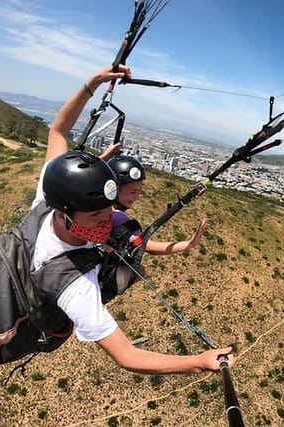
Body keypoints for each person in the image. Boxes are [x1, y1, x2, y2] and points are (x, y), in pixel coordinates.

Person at [32, 65, 234, 375]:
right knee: (135, 268)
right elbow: (127, 356)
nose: (106, 219)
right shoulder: (75, 286)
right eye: (97, 214)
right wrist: (197, 362)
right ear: (66, 212)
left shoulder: (47, 200)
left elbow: (58, 130)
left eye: (108, 208)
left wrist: (95, 82)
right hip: (52, 302)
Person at [99, 145, 207, 256]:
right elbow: (147, 246)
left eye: (139, 191)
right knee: (138, 270)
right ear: (114, 189)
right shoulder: (118, 219)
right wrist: (189, 244)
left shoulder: (93, 206)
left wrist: (103, 158)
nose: (136, 196)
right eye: (133, 192)